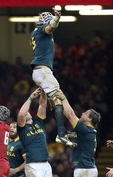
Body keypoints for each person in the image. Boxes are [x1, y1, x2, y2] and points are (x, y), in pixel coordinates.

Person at [30, 7, 75, 147]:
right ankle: (61, 134)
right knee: (59, 99)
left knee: (51, 101)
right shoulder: (43, 30)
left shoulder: (36, 32)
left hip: (40, 72)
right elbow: (50, 28)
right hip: (43, 71)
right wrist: (57, 17)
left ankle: (62, 132)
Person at [17, 88, 58, 177]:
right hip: (33, 164)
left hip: (46, 164)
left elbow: (42, 106)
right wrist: (30, 97)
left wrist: (44, 92)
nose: (27, 112)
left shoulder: (39, 122)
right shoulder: (21, 128)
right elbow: (21, 114)